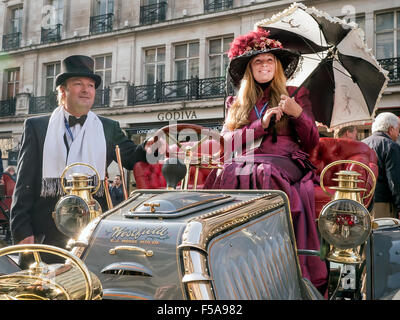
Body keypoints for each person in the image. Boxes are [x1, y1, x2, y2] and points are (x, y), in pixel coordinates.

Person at [203, 28, 327, 291]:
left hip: (285, 160)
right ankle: (230, 254)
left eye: (269, 60)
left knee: (265, 172)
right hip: (245, 158)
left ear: (277, 66)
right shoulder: (236, 102)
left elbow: (312, 141)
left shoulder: (296, 94)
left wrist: (297, 114)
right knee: (223, 172)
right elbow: (226, 143)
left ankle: (273, 252)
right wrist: (260, 125)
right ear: (250, 68)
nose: (264, 65)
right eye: (258, 61)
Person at [10, 55, 154, 262]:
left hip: (92, 233)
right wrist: (22, 231)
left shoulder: (108, 127)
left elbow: (132, 156)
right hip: (46, 235)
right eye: (78, 84)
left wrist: (155, 144)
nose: (86, 90)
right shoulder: (36, 126)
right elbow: (24, 184)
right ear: (62, 90)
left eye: (91, 85)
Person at [362, 112, 400, 219]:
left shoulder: (361, 144)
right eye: (398, 130)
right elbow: (395, 180)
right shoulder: (391, 146)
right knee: (386, 234)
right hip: (384, 204)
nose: (398, 134)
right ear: (391, 129)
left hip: (363, 202)